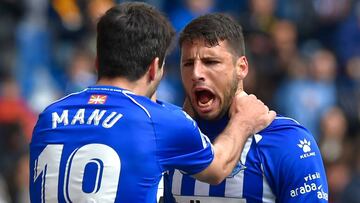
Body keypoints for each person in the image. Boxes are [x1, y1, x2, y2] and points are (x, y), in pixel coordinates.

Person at [29, 3, 275, 203]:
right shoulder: (159, 121)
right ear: (154, 67)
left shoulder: (49, 116)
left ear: (97, 62)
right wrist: (244, 121)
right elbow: (219, 168)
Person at [162, 13, 329, 202]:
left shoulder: (287, 140)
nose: (196, 73)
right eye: (188, 63)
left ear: (241, 68)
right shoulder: (170, 139)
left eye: (211, 62)